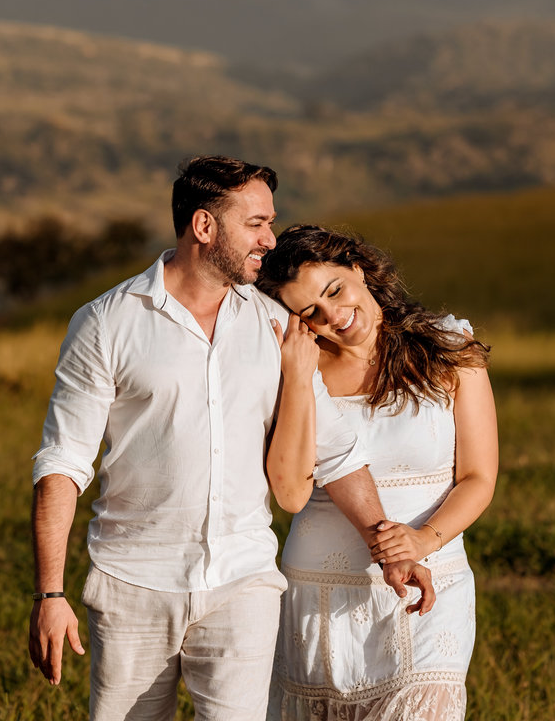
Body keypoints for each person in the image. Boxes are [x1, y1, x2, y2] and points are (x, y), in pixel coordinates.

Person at [26, 157, 435, 721]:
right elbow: (63, 462)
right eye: (256, 223)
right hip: (133, 584)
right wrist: (50, 595)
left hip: (244, 583)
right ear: (204, 227)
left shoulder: (274, 324)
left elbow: (335, 451)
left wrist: (386, 549)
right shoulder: (105, 323)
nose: (270, 239)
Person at [257, 224, 499, 720]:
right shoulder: (292, 368)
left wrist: (422, 540)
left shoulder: (449, 347)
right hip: (320, 596)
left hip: (431, 587)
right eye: (311, 313)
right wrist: (298, 377)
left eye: (335, 291)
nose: (334, 316)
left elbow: (479, 476)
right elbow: (290, 490)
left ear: (359, 269)